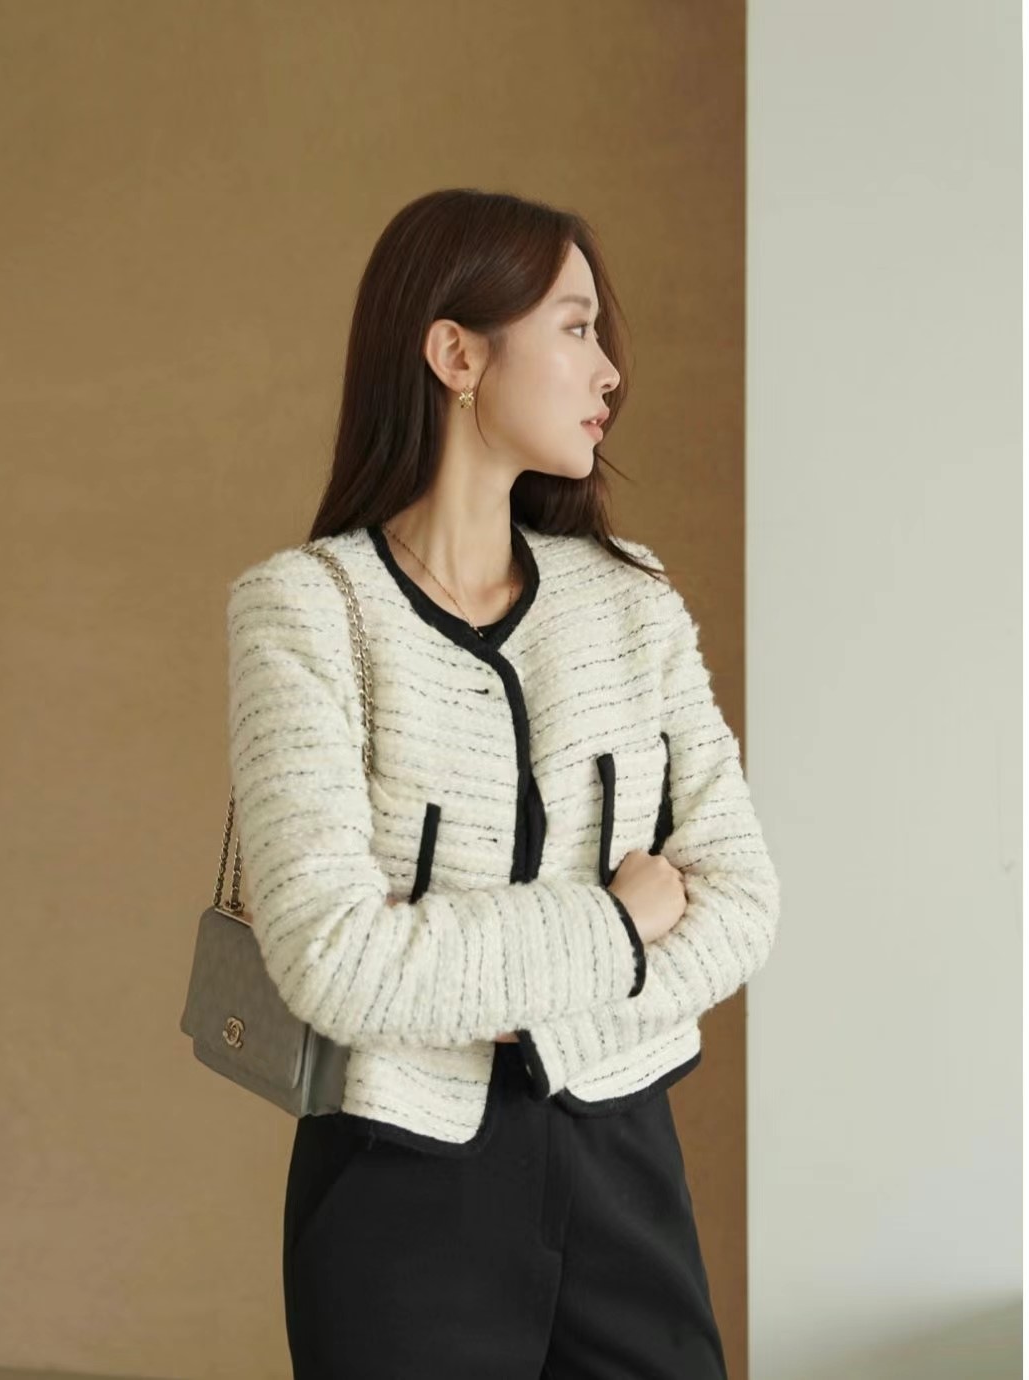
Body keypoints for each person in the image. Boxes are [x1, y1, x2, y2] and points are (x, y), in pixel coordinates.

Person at [226, 188, 781, 1379]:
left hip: (624, 1164)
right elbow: (333, 959)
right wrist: (616, 925)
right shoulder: (306, 613)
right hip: (396, 1191)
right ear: (457, 355)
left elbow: (741, 904)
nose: (611, 369)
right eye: (576, 328)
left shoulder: (632, 602)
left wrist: (476, 979)